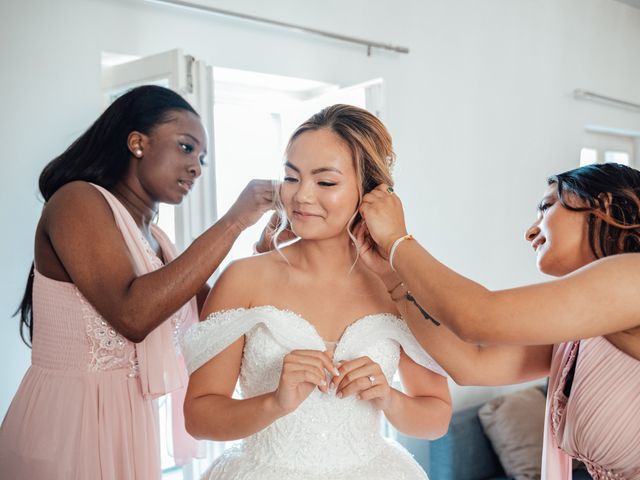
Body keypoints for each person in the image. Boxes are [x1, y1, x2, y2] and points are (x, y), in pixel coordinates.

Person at [0, 85, 275, 479]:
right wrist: (234, 220)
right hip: (67, 424)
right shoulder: (77, 201)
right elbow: (132, 314)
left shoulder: (159, 240)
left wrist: (263, 260)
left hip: (131, 424)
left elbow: (215, 318)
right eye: (186, 147)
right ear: (137, 143)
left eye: (202, 158)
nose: (197, 166)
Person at [181, 104, 452, 480]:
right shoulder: (243, 280)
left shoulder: (396, 286)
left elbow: (436, 418)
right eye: (292, 178)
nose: (302, 196)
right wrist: (275, 403)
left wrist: (388, 397)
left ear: (369, 191)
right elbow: (199, 417)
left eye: (325, 182)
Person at [356, 162, 640, 480]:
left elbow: (479, 317)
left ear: (605, 205)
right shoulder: (578, 334)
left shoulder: (635, 277)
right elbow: (471, 364)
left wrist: (397, 240)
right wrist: (393, 280)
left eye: (546, 207)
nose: (530, 231)